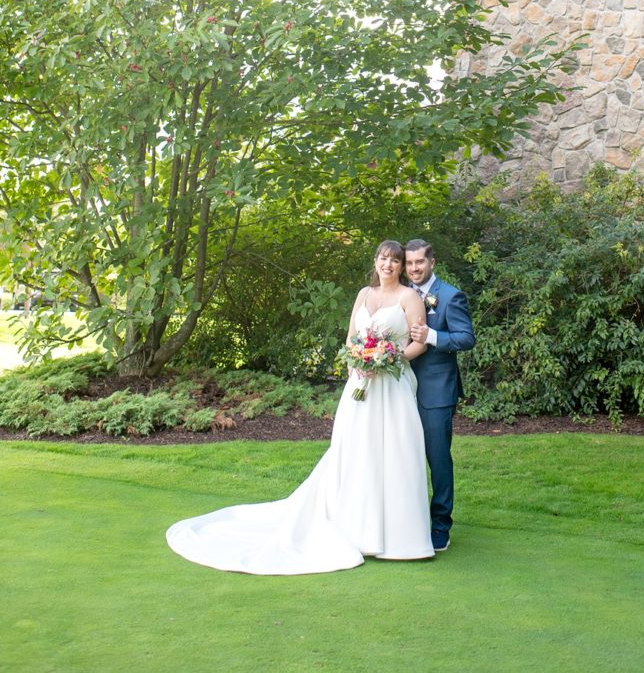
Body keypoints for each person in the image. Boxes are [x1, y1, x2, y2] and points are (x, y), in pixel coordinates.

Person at [165, 240, 434, 574]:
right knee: (356, 452)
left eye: (395, 261)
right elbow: (352, 338)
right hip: (361, 385)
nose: (389, 266)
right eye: (383, 259)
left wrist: (388, 359)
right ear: (375, 262)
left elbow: (418, 343)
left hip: (392, 386)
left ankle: (400, 536)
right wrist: (356, 363)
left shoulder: (409, 298)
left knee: (395, 451)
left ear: (400, 267)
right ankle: (358, 530)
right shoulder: (364, 295)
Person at [406, 238, 476, 553]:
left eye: (419, 262)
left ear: (432, 262)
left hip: (436, 391)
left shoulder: (449, 296)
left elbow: (465, 338)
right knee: (403, 457)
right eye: (409, 263)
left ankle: (440, 526)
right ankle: (409, 520)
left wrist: (432, 335)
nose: (414, 268)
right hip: (400, 390)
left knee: (437, 458)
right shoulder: (402, 295)